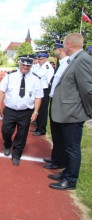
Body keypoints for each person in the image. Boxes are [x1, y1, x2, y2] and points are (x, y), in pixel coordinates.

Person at [48, 33, 92, 190]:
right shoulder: (75, 59)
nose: (62, 47)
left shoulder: (82, 60)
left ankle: (71, 180)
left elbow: (88, 90)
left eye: (64, 44)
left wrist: (88, 112)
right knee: (68, 147)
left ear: (69, 45)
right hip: (67, 113)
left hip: (73, 114)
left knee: (72, 148)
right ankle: (66, 172)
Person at [0, 55, 43, 166]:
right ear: (19, 64)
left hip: (25, 112)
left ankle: (16, 154)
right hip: (10, 110)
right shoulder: (10, 76)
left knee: (22, 134)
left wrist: (36, 111)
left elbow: (38, 97)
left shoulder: (36, 79)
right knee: (6, 131)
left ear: (31, 65)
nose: (25, 67)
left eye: (28, 65)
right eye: (23, 65)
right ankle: (7, 144)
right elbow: (1, 90)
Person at [43, 42, 69, 170]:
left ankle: (59, 161)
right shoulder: (61, 63)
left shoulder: (67, 63)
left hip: (60, 102)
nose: (54, 51)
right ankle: (55, 158)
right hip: (54, 100)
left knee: (59, 134)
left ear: (60, 49)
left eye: (55, 49)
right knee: (55, 132)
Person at [32, 53, 54, 136]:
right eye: (38, 59)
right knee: (38, 110)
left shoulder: (48, 68)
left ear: (45, 59)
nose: (39, 60)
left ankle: (42, 129)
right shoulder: (41, 67)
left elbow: (49, 81)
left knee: (42, 111)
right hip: (39, 90)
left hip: (45, 90)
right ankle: (38, 127)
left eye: (40, 59)